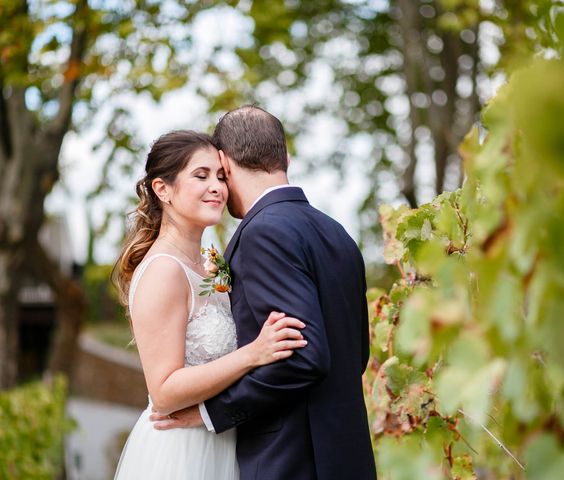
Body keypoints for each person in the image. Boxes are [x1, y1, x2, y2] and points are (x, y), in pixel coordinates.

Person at [152, 106, 377, 479]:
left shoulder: (263, 233)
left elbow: (302, 358)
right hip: (345, 454)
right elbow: (356, 352)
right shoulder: (336, 233)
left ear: (224, 161)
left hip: (291, 461)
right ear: (284, 156)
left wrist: (213, 412)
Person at [111, 130, 307, 479]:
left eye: (220, 176)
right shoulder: (163, 271)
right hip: (182, 451)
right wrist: (253, 354)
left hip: (225, 440)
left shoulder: (211, 264)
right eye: (200, 176)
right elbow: (165, 391)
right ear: (163, 189)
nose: (216, 187)